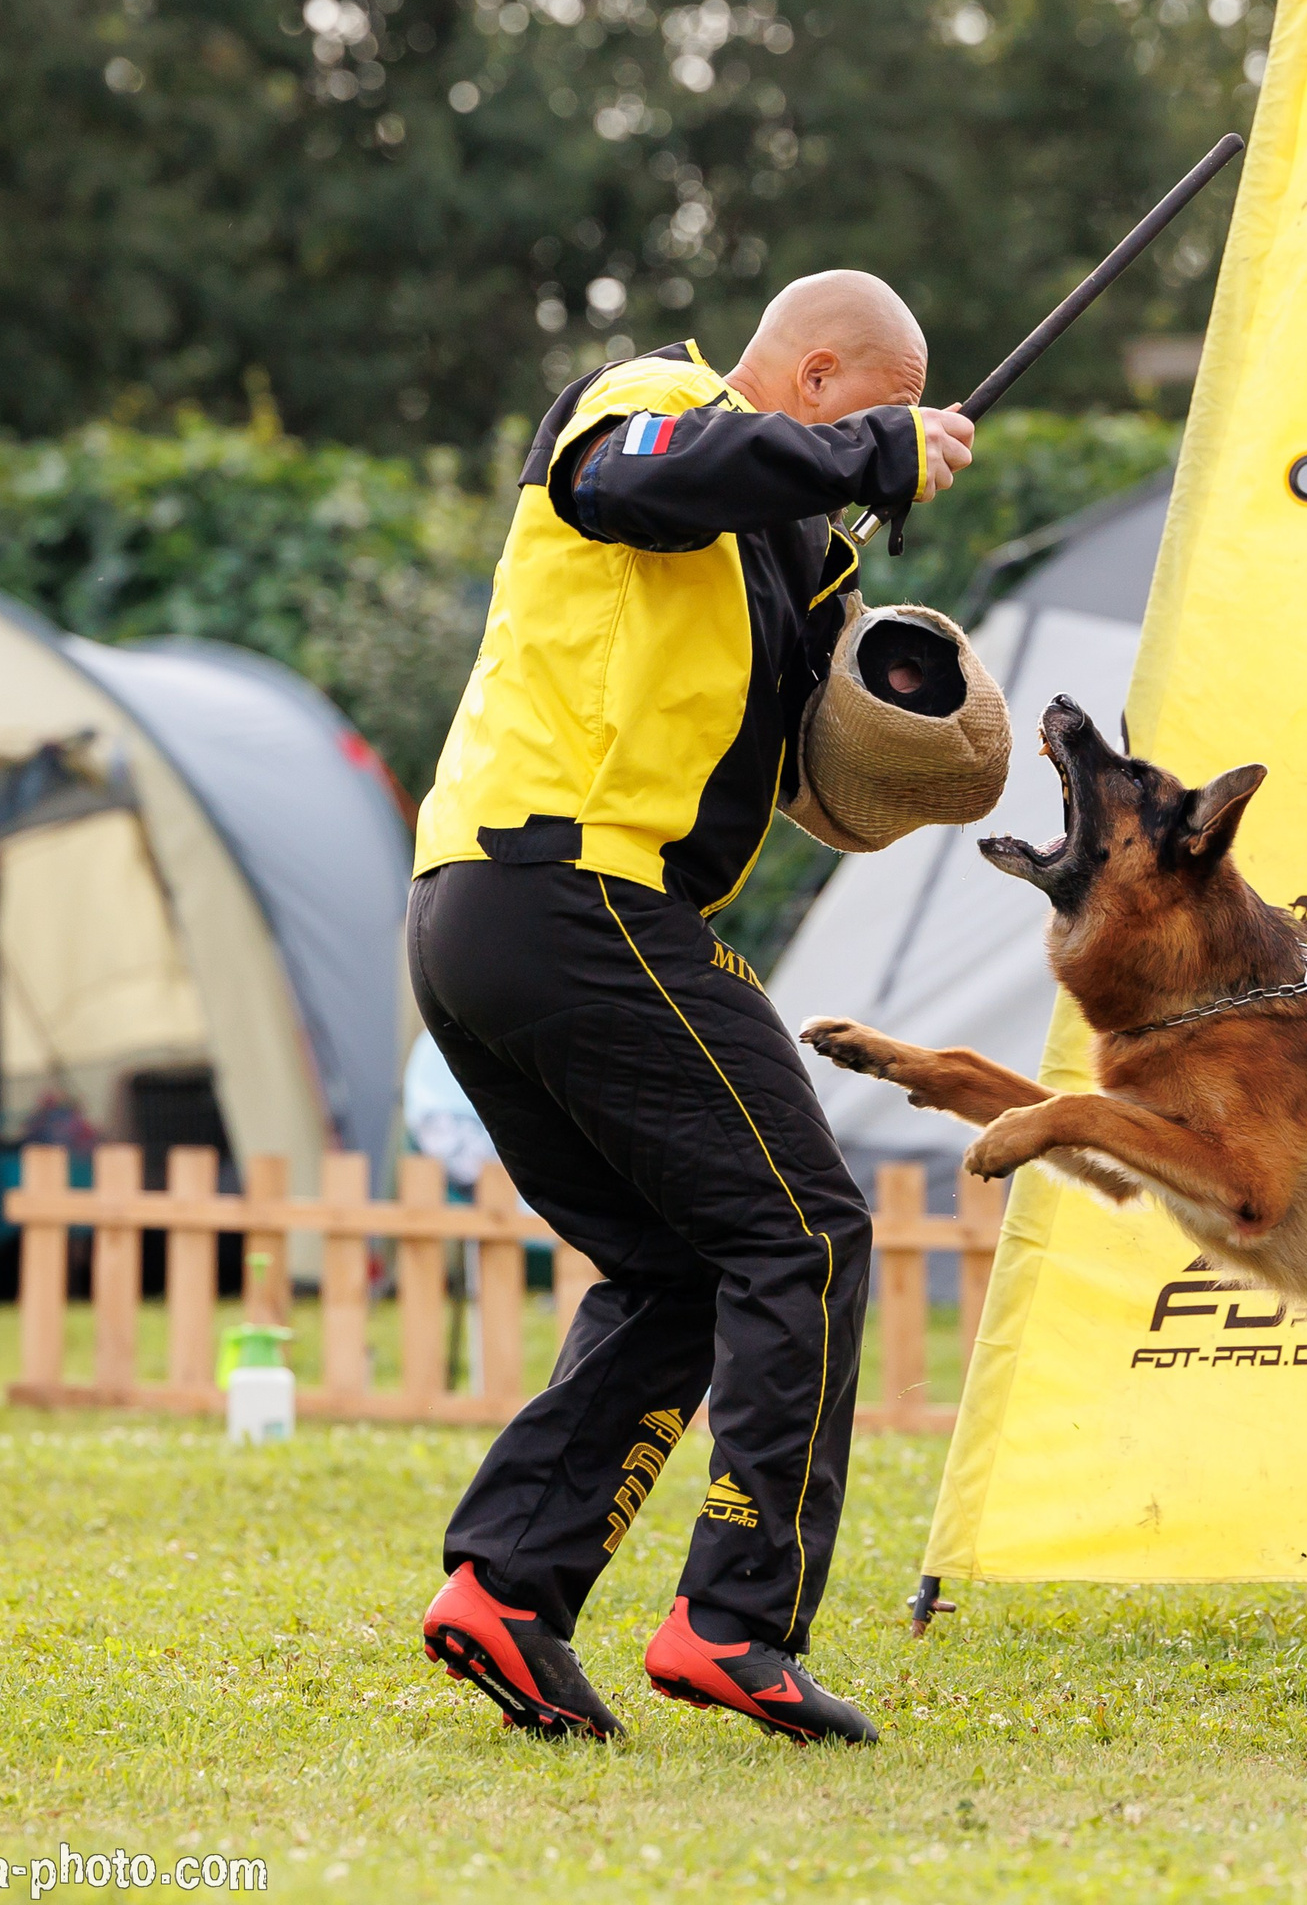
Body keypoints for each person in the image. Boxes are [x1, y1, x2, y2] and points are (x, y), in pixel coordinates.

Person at [409, 272, 974, 1745]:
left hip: (498, 913)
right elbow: (652, 485)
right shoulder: (651, 407)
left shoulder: (772, 542)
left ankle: (510, 1593)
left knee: (675, 1262)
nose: (884, 441)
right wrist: (872, 456)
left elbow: (821, 757)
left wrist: (876, 635)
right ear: (819, 374)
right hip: (574, 894)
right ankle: (735, 1623)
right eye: (876, 413)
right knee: (807, 1230)